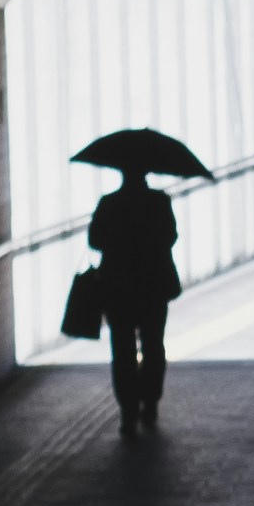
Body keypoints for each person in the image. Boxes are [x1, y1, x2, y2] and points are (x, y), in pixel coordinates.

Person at [86, 162, 182, 430]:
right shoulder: (159, 202)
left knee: (122, 349)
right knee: (153, 346)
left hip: (118, 288)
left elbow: (94, 240)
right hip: (153, 286)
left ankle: (128, 410)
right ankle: (149, 404)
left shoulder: (109, 203)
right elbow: (171, 236)